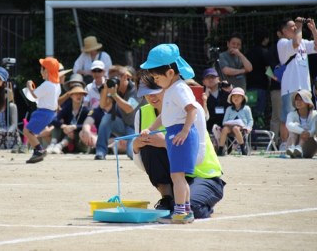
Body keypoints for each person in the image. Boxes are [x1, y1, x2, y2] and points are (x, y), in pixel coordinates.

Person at [133, 77, 225, 219]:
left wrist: (166, 143)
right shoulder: (142, 113)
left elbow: (199, 158)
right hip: (178, 178)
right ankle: (168, 198)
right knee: (176, 206)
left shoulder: (194, 110)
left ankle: (189, 203)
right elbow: (146, 165)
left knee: (192, 208)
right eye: (146, 92)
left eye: (156, 90)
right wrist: (136, 147)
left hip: (204, 175)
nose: (151, 96)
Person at [140, 43, 200, 224]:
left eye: (157, 78)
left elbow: (192, 110)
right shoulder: (170, 89)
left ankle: (180, 212)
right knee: (178, 176)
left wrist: (185, 131)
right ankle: (186, 211)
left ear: (170, 73)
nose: (155, 82)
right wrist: (150, 129)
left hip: (181, 135)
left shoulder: (180, 88)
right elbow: (165, 116)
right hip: (175, 134)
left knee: (177, 177)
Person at [276, 17, 317, 151]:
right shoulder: (282, 42)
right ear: (283, 31)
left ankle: (301, 145)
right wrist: (300, 28)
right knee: (287, 117)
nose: (295, 28)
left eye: (296, 26)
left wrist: (313, 30)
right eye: (292, 26)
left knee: (307, 117)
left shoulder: (303, 42)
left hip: (304, 87)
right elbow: (295, 43)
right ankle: (284, 143)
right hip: (290, 87)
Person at [94, 65, 145, 160]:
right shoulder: (115, 89)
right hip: (124, 126)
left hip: (137, 129)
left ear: (127, 78)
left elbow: (129, 108)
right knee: (107, 118)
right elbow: (102, 106)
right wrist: (106, 89)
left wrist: (114, 94)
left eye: (120, 76)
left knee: (131, 153)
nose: (116, 79)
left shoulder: (136, 89)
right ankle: (100, 151)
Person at [23, 57, 61, 164]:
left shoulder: (47, 84)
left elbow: (34, 95)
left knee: (27, 131)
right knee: (31, 132)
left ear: (46, 71)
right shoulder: (56, 85)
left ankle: (39, 150)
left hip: (43, 112)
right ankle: (37, 150)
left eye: (42, 69)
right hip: (49, 113)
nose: (41, 71)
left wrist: (29, 86)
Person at [47, 85, 89, 154]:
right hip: (66, 135)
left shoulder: (86, 110)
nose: (79, 96)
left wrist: (75, 127)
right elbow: (53, 120)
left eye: (81, 94)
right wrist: (63, 126)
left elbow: (88, 124)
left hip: (78, 137)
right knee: (57, 126)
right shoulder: (67, 108)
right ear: (71, 96)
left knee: (71, 132)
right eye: (76, 94)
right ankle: (52, 144)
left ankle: (59, 146)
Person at [217, 87, 253, 156]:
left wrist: (248, 128)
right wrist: (229, 123)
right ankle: (220, 149)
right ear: (231, 98)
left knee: (236, 128)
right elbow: (224, 121)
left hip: (242, 128)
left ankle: (242, 148)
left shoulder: (246, 108)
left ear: (243, 98)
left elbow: (250, 120)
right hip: (230, 127)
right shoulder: (229, 109)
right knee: (224, 129)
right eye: (234, 96)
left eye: (239, 96)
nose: (236, 98)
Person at [246, 28, 271, 127]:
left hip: (250, 87)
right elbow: (268, 69)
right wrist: (273, 80)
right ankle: (260, 135)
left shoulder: (249, 52)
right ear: (265, 39)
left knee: (250, 113)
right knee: (259, 113)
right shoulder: (265, 52)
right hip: (261, 87)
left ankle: (251, 136)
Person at [286, 90, 317, 158]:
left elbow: (313, 130)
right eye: (296, 100)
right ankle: (293, 147)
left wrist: (307, 133)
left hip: (309, 146)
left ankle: (299, 147)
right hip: (292, 145)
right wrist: (302, 131)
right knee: (295, 127)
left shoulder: (315, 115)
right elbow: (289, 125)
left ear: (307, 102)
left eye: (301, 100)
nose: (298, 102)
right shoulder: (291, 114)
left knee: (304, 128)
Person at [202, 67, 232, 133]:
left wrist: (231, 91)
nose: (210, 79)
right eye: (207, 77)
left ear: (218, 79)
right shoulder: (202, 94)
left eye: (213, 77)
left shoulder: (225, 90)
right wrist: (205, 99)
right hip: (208, 128)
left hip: (226, 126)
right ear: (203, 82)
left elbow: (239, 104)